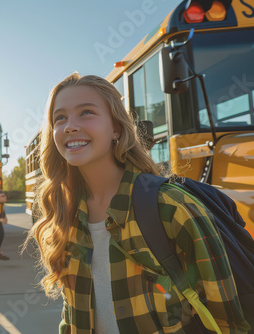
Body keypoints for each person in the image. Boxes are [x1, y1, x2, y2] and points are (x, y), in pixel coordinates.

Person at [24, 73, 250, 333]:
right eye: (59, 118)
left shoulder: (169, 206)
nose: (69, 126)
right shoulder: (65, 216)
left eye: (86, 112)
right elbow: (73, 315)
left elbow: (229, 320)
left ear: (116, 128)